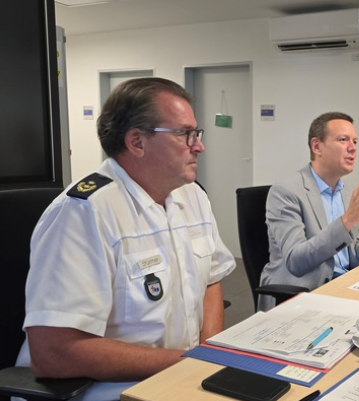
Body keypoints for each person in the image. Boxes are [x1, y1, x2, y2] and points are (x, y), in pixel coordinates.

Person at [16, 77, 236, 400]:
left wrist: (207, 357)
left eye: (196, 133)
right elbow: (53, 352)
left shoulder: (192, 196)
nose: (199, 146)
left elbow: (211, 280)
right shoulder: (84, 213)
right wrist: (189, 363)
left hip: (179, 377)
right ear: (136, 142)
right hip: (108, 389)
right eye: (184, 134)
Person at [259, 111, 359, 311]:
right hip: (303, 294)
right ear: (317, 146)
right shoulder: (285, 192)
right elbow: (296, 261)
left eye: (355, 141)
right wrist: (347, 221)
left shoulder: (345, 192)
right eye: (343, 140)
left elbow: (345, 251)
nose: (352, 148)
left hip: (343, 285)